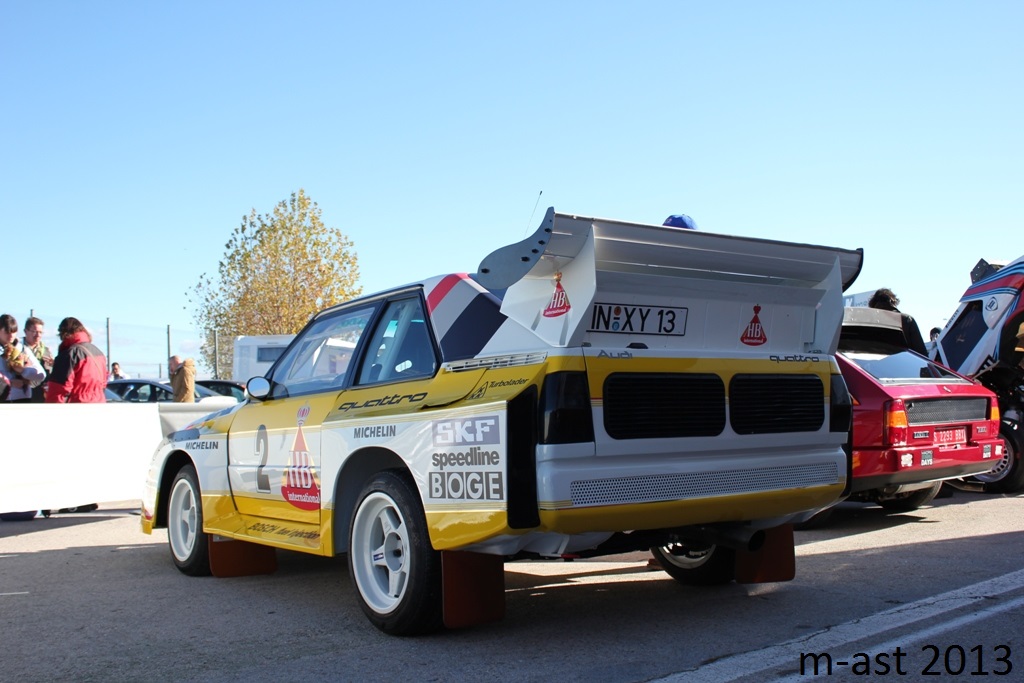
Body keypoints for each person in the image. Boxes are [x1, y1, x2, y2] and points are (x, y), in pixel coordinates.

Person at [45, 317, 108, 403]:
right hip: (98, 402)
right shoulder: (98, 352)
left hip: (77, 405)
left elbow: (59, 389)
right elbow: (103, 383)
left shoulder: (70, 354)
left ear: (63, 333)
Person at [0, 314, 46, 403]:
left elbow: (41, 375)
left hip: (22, 398)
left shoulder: (22, 349)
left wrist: (24, 371)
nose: (11, 336)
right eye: (7, 332)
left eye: (14, 332)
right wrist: (9, 383)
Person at [868, 288, 928, 356]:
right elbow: (921, 352)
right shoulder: (906, 320)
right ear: (893, 301)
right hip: (906, 364)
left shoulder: (870, 324)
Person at [23, 316, 54, 402]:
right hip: (22, 394)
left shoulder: (46, 351)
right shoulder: (18, 349)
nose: (38, 335)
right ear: (25, 331)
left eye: (40, 332)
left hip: (40, 396)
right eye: (34, 332)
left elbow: (50, 374)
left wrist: (54, 365)